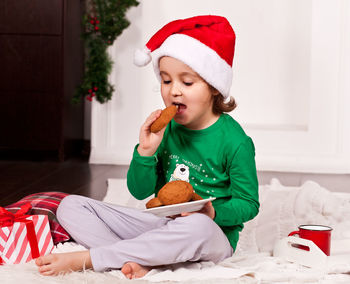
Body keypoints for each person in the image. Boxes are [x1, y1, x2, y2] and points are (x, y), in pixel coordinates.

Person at [35, 15, 259, 279]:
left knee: (196, 225)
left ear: (213, 87)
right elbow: (139, 191)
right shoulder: (164, 130)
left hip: (210, 235)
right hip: (159, 226)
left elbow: (248, 204)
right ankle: (143, 260)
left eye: (187, 82)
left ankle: (95, 258)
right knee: (70, 206)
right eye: (166, 81)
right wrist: (146, 151)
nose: (174, 91)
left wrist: (213, 212)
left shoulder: (235, 142)